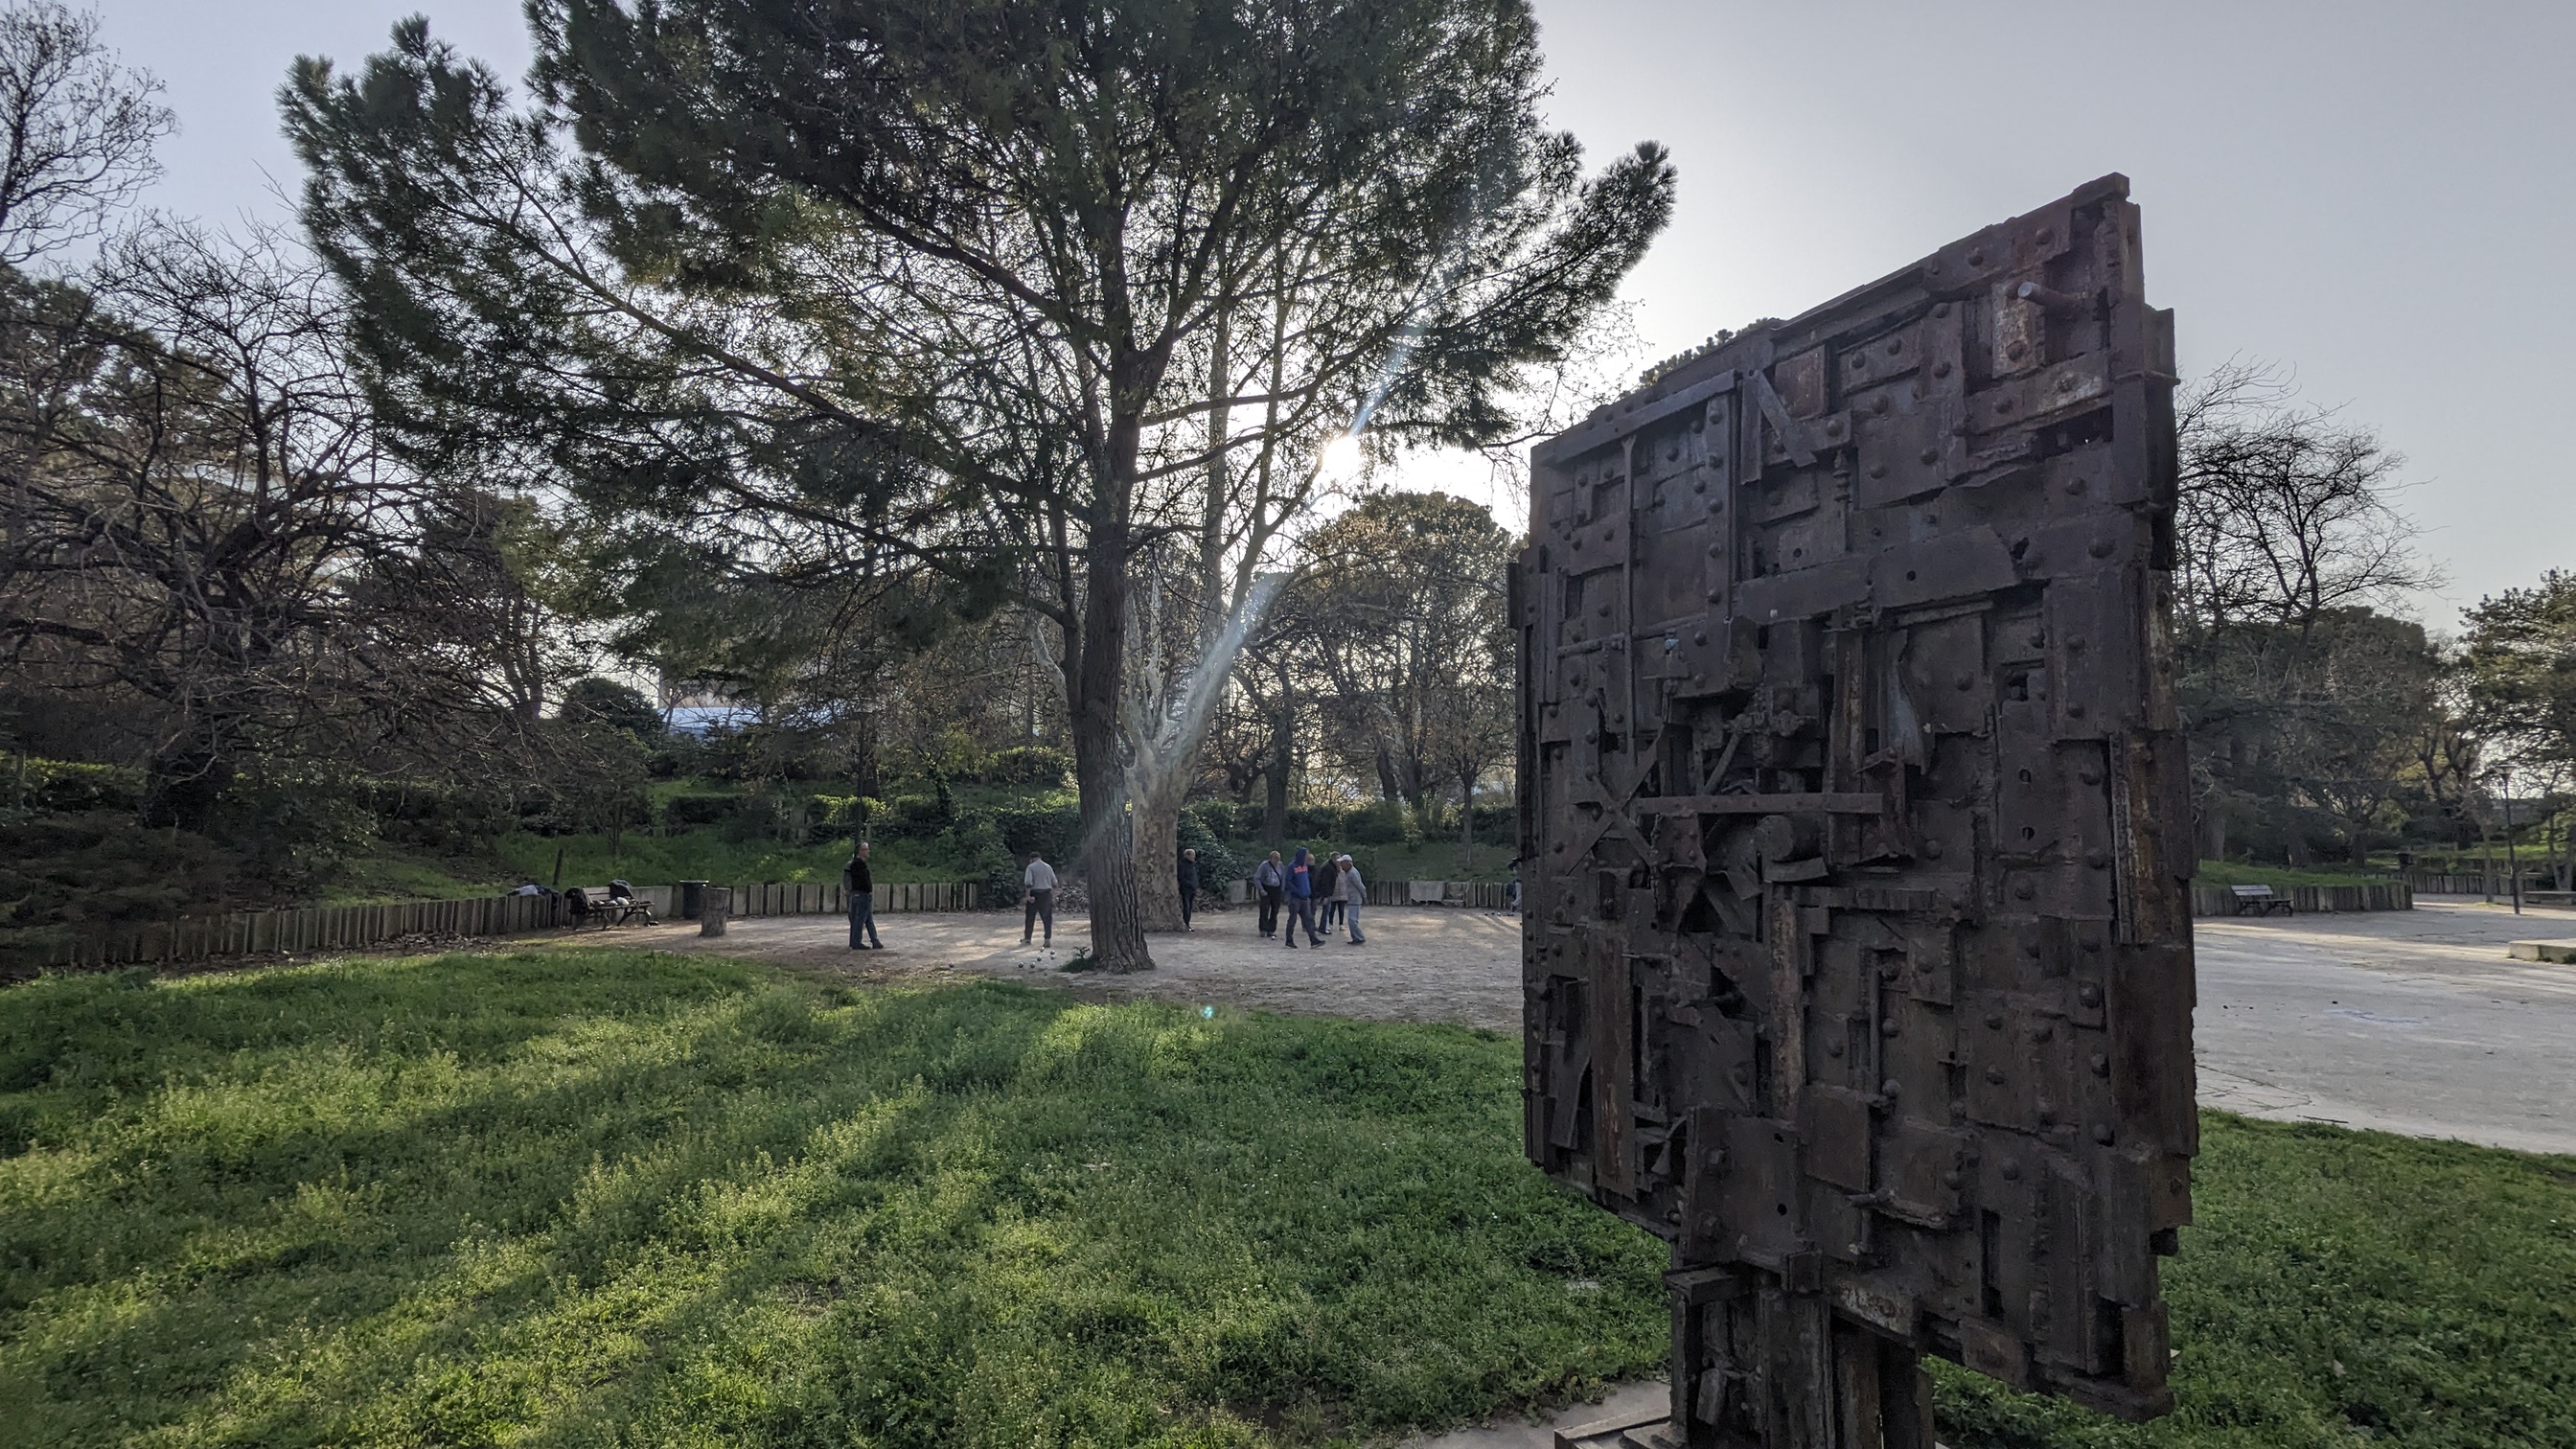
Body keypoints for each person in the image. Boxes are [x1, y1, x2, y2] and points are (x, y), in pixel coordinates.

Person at [1281, 846, 1322, 948]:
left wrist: (1308, 891)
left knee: (1308, 919)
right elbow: (1288, 882)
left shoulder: (1304, 865)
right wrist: (1297, 891)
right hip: (1296, 898)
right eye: (1306, 854)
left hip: (1305, 897)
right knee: (1292, 919)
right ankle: (1289, 940)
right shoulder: (1292, 866)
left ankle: (1313, 940)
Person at [843, 842, 882, 950]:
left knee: (867, 919)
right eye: (865, 849)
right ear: (860, 851)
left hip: (857, 894)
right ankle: (856, 942)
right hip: (862, 894)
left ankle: (875, 940)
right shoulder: (859, 864)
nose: (868, 851)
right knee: (859, 919)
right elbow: (862, 880)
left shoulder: (853, 864)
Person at [1022, 851, 1059, 949]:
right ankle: (1047, 939)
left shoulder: (1031, 867)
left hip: (1035, 893)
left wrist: (1028, 896)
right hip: (1046, 894)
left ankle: (1028, 938)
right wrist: (1053, 897)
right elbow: (1055, 883)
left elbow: (1028, 883)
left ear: (1032, 859)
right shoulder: (1048, 867)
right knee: (1047, 917)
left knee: (1030, 916)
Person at [1337, 854, 1367, 944]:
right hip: (1352, 898)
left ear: (1347, 863)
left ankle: (1359, 937)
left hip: (1355, 899)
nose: (1341, 865)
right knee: (1352, 920)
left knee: (1352, 920)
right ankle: (1356, 937)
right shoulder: (1349, 872)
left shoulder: (1353, 873)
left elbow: (1359, 885)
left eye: (1342, 863)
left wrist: (1364, 896)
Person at [1254, 851, 1285, 937]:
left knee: (1275, 910)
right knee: (1264, 909)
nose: (1277, 860)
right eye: (1275, 858)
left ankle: (1271, 929)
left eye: (1278, 858)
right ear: (1271, 858)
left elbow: (1283, 878)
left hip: (1276, 888)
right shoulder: (1264, 865)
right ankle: (1263, 928)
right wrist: (1261, 890)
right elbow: (1257, 878)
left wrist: (1282, 889)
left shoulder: (1281, 866)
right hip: (1267, 887)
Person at [1315, 852, 1343, 932]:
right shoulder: (1329, 868)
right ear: (1333, 859)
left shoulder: (1331, 867)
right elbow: (1326, 882)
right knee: (1326, 910)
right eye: (1338, 859)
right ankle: (1323, 927)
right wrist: (1326, 896)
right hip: (1326, 892)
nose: (1339, 861)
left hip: (1327, 891)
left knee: (1327, 910)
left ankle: (1323, 926)